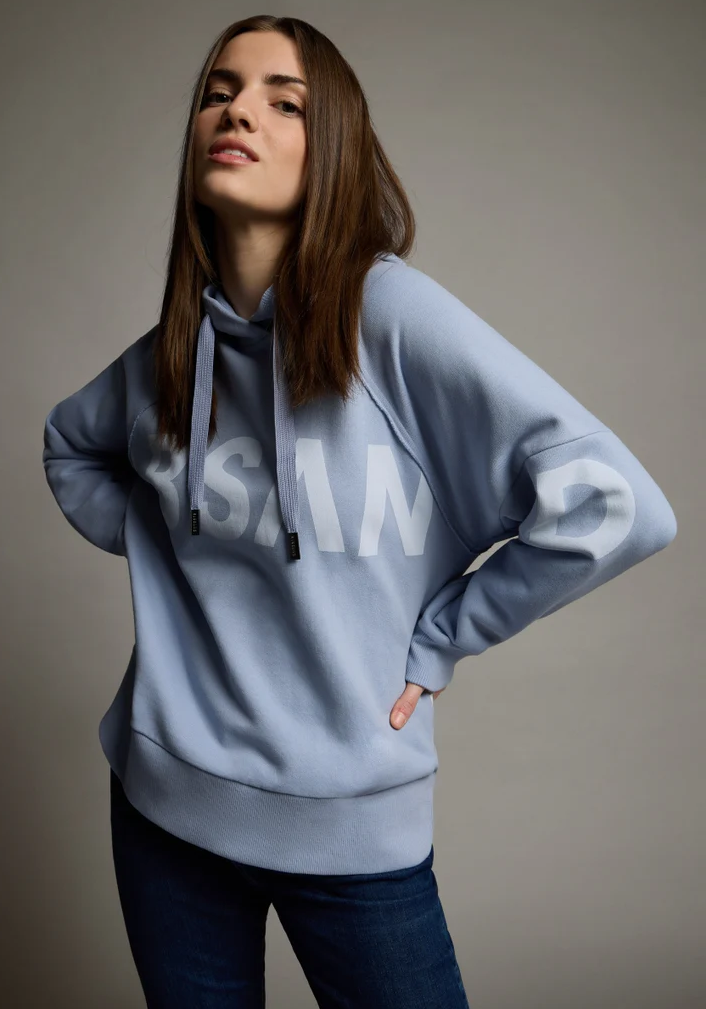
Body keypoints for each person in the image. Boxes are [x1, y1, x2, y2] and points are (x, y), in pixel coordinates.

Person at [41, 14, 677, 1009]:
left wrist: (446, 633)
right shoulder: (175, 346)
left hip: (351, 833)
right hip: (163, 813)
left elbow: (615, 503)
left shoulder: (387, 315)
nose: (237, 112)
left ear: (330, 145)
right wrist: (165, 541)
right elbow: (68, 445)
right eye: (219, 92)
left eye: (284, 101)